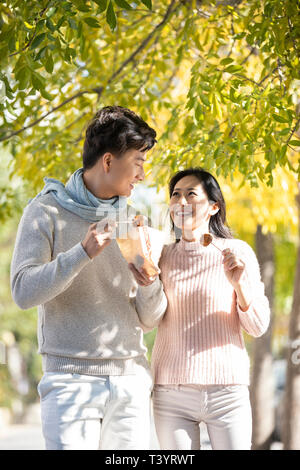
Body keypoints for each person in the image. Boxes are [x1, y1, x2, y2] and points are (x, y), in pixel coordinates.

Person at [10, 106, 167, 450]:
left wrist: (149, 283)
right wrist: (81, 253)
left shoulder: (132, 221)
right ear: (108, 162)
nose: (142, 175)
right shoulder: (45, 211)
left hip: (130, 381)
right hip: (70, 382)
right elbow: (22, 292)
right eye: (138, 163)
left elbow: (150, 318)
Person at [150, 167, 270, 450]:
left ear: (214, 206)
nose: (180, 202)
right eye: (175, 195)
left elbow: (259, 325)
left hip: (227, 392)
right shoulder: (161, 256)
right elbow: (148, 317)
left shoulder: (235, 252)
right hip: (171, 393)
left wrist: (240, 286)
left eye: (191, 194)